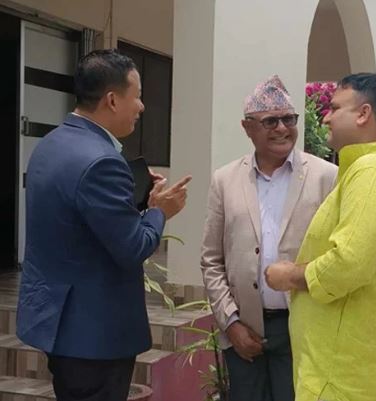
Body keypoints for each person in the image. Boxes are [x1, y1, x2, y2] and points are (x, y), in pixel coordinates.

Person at [16, 49, 191, 401]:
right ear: (112, 100)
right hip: (94, 334)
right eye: (137, 96)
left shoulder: (50, 144)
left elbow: (78, 214)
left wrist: (134, 192)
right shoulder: (101, 161)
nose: (141, 106)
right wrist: (159, 210)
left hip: (57, 321)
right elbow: (132, 247)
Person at [264, 73, 376, 401]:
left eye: (335, 108)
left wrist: (290, 275)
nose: (326, 117)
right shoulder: (365, 170)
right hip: (342, 369)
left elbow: (348, 263)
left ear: (363, 114)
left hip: (345, 376)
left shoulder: (374, 171)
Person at [200, 75, 337, 401]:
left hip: (303, 328)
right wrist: (231, 324)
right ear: (247, 127)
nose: (282, 128)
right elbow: (211, 260)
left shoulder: (326, 177)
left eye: (289, 119)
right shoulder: (225, 180)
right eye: (270, 121)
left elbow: (337, 254)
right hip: (245, 331)